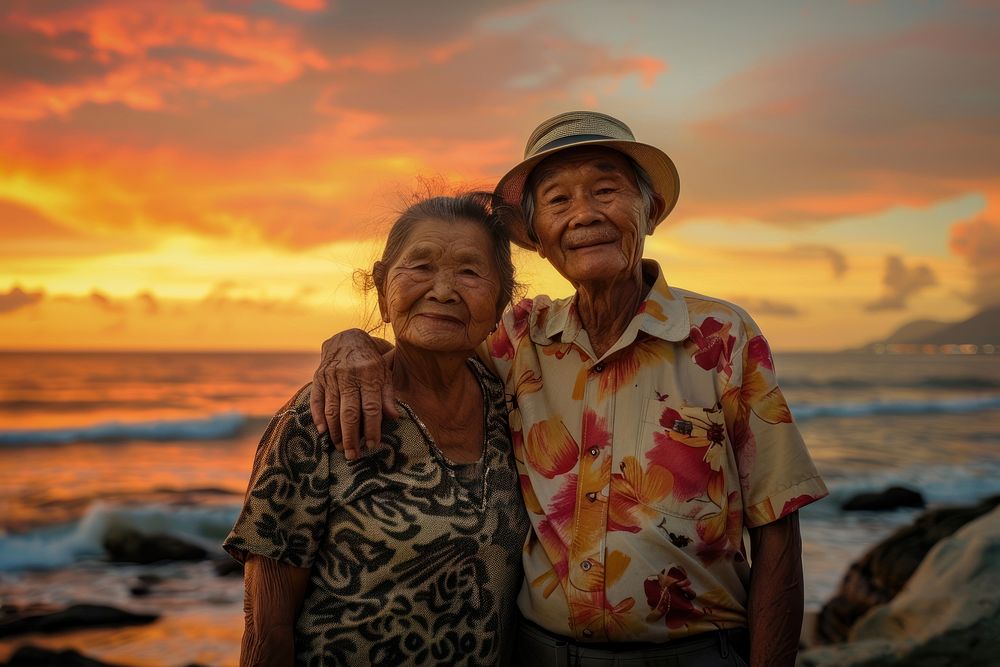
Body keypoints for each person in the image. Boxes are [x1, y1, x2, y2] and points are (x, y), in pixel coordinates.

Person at [311, 111, 829, 666]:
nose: (584, 214)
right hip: (540, 654)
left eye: (606, 191)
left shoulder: (721, 336)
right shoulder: (517, 337)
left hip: (696, 652)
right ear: (538, 237)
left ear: (648, 210)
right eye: (558, 201)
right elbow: (429, 348)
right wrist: (349, 343)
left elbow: (777, 530)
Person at [223, 192, 530, 666]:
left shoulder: (513, 400)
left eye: (470, 272)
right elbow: (266, 630)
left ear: (501, 301)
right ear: (383, 288)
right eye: (421, 267)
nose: (444, 290)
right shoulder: (320, 416)